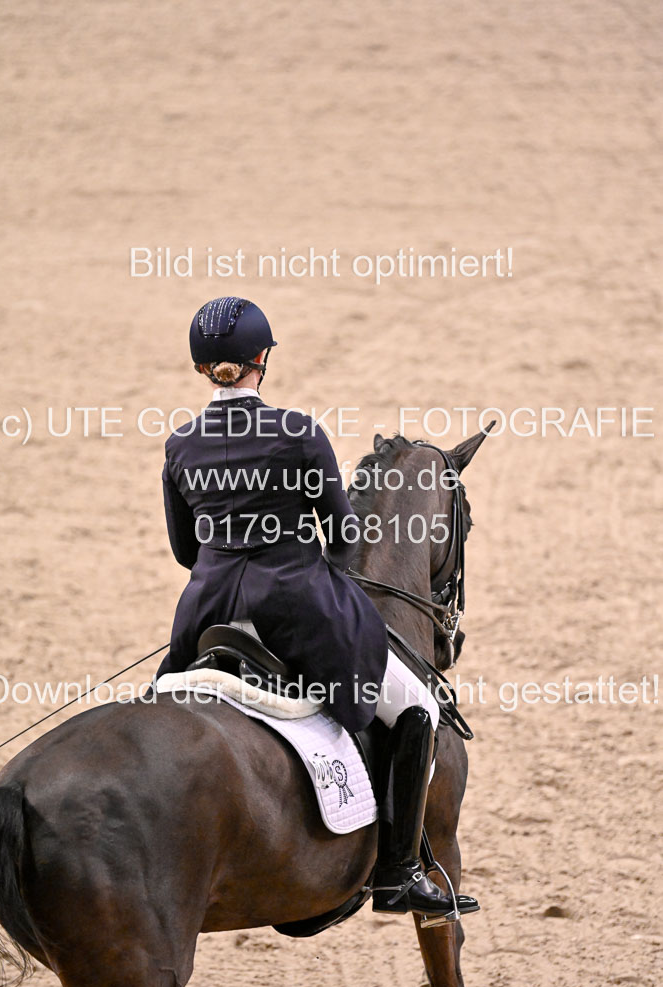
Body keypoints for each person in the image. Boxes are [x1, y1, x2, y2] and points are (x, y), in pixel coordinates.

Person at [158, 296, 479, 919]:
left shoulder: (180, 445)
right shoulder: (298, 433)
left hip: (207, 612)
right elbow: (343, 538)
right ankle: (399, 873)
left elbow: (184, 550)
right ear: (262, 359)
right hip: (296, 609)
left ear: (201, 368)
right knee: (414, 707)